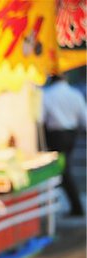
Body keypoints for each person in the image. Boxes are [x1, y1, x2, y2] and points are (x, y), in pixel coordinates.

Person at [42, 74, 86, 216]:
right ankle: (71, 206)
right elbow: (84, 119)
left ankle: (75, 207)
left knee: (62, 171)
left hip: (55, 137)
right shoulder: (75, 94)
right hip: (71, 136)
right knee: (62, 170)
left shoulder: (47, 95)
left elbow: (41, 118)